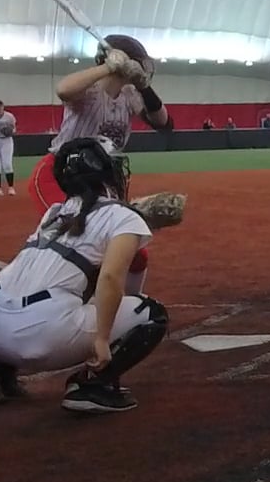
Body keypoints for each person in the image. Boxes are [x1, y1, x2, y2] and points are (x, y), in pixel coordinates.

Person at [0, 137, 168, 414]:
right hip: (39, 334)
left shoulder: (54, 212)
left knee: (46, 285)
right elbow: (110, 279)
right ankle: (92, 387)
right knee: (152, 314)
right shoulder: (122, 216)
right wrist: (102, 339)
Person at [31, 36, 171, 295]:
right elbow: (63, 89)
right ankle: (40, 289)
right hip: (62, 175)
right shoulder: (90, 91)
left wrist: (143, 86)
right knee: (72, 234)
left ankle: (128, 303)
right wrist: (108, 67)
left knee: (134, 250)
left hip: (101, 183)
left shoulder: (130, 96)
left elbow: (164, 122)